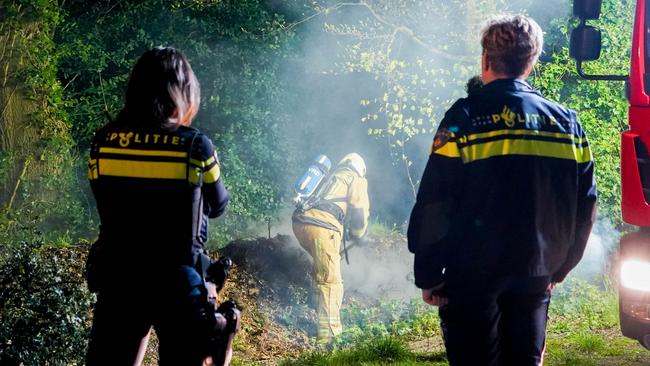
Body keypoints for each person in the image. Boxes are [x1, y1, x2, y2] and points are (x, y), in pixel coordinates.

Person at [408, 15, 597, 366]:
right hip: (537, 272)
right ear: (532, 60)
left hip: (471, 277)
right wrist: (561, 267)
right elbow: (585, 207)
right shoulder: (567, 123)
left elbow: (436, 201)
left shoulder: (462, 118)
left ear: (485, 59)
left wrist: (429, 273)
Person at [85, 46, 229, 365]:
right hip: (177, 282)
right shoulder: (195, 146)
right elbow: (219, 205)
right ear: (184, 93)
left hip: (118, 278)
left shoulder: (102, 143)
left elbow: (105, 200)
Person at [292, 153, 370, 344]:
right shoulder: (356, 178)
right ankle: (329, 337)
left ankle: (318, 310)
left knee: (322, 271)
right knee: (331, 281)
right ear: (361, 168)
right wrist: (359, 235)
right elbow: (359, 211)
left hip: (301, 223)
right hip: (322, 229)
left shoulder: (331, 177)